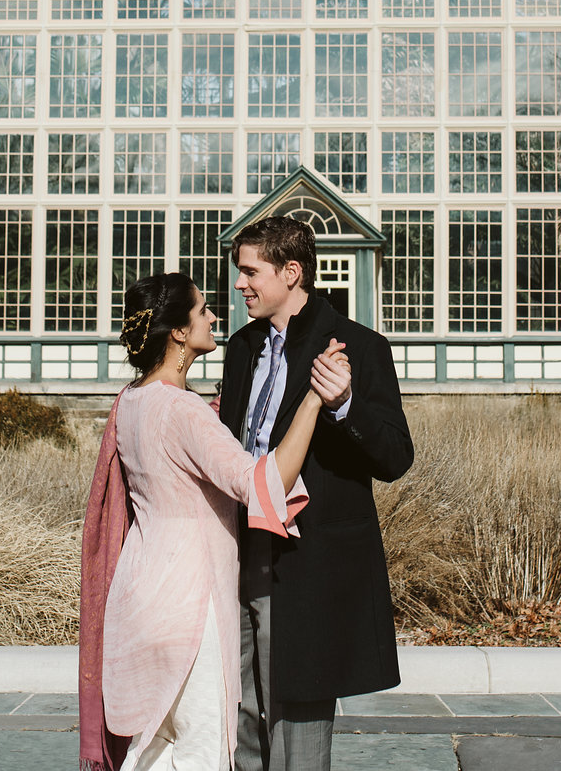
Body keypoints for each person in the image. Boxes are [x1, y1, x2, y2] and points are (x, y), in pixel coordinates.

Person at [78, 271, 349, 771]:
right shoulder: (185, 412)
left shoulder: (130, 402)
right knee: (202, 746)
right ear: (179, 332)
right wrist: (313, 400)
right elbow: (260, 485)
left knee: (154, 747)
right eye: (202, 310)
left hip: (139, 592)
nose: (213, 316)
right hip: (191, 602)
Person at [221, 216, 415, 771]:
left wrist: (346, 406)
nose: (240, 284)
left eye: (250, 272)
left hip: (310, 565)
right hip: (236, 555)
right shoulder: (240, 349)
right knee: (239, 719)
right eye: (240, 272)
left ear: (291, 271)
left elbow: (396, 458)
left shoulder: (361, 346)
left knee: (298, 728)